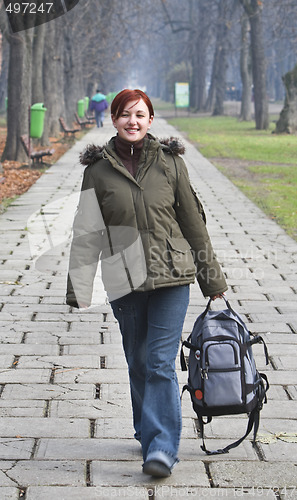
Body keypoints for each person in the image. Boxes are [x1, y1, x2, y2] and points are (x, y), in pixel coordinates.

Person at [66, 89, 228, 478]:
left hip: (173, 276)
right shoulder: (98, 170)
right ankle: (147, 427)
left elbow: (193, 223)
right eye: (125, 115)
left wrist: (212, 280)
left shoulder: (170, 163)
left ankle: (161, 447)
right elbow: (87, 230)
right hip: (124, 279)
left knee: (159, 362)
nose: (132, 121)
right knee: (138, 360)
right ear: (114, 119)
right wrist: (80, 286)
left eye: (140, 115)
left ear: (150, 120)